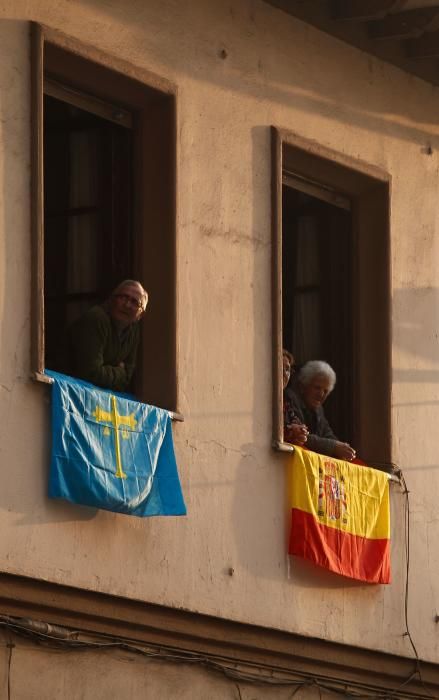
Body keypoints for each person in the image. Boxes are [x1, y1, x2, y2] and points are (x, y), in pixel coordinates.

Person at [66, 280, 148, 392]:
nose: (127, 305)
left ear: (140, 315)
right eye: (123, 297)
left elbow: (127, 379)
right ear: (112, 299)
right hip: (72, 390)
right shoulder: (97, 318)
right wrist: (119, 372)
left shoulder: (133, 330)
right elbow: (91, 373)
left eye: (135, 302)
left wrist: (111, 375)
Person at [285, 360, 356, 461]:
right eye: (317, 388)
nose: (321, 394)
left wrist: (343, 448)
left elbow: (328, 435)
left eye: (325, 391)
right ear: (303, 386)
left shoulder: (318, 409)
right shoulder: (290, 398)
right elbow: (300, 437)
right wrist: (334, 447)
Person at [282, 350, 309, 446]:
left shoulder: (287, 398)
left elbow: (295, 421)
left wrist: (300, 431)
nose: (284, 374)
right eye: (279, 367)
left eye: (287, 369)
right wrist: (290, 431)